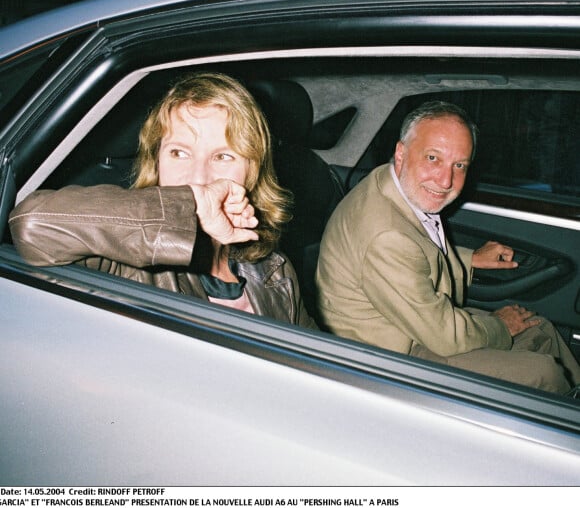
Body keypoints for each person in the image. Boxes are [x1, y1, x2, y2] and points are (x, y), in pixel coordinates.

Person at [9, 71, 317, 330]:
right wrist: (186, 204)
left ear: (251, 172)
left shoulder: (276, 271)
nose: (197, 176)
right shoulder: (122, 257)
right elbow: (31, 222)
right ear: (156, 161)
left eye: (223, 156)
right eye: (179, 152)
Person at [316, 100, 580, 394]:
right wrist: (502, 327)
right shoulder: (386, 237)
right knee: (542, 372)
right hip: (390, 356)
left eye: (459, 165)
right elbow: (444, 336)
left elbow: (416, 251)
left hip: (409, 323)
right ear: (401, 154)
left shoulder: (389, 180)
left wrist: (470, 259)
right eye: (433, 158)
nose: (445, 180)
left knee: (538, 327)